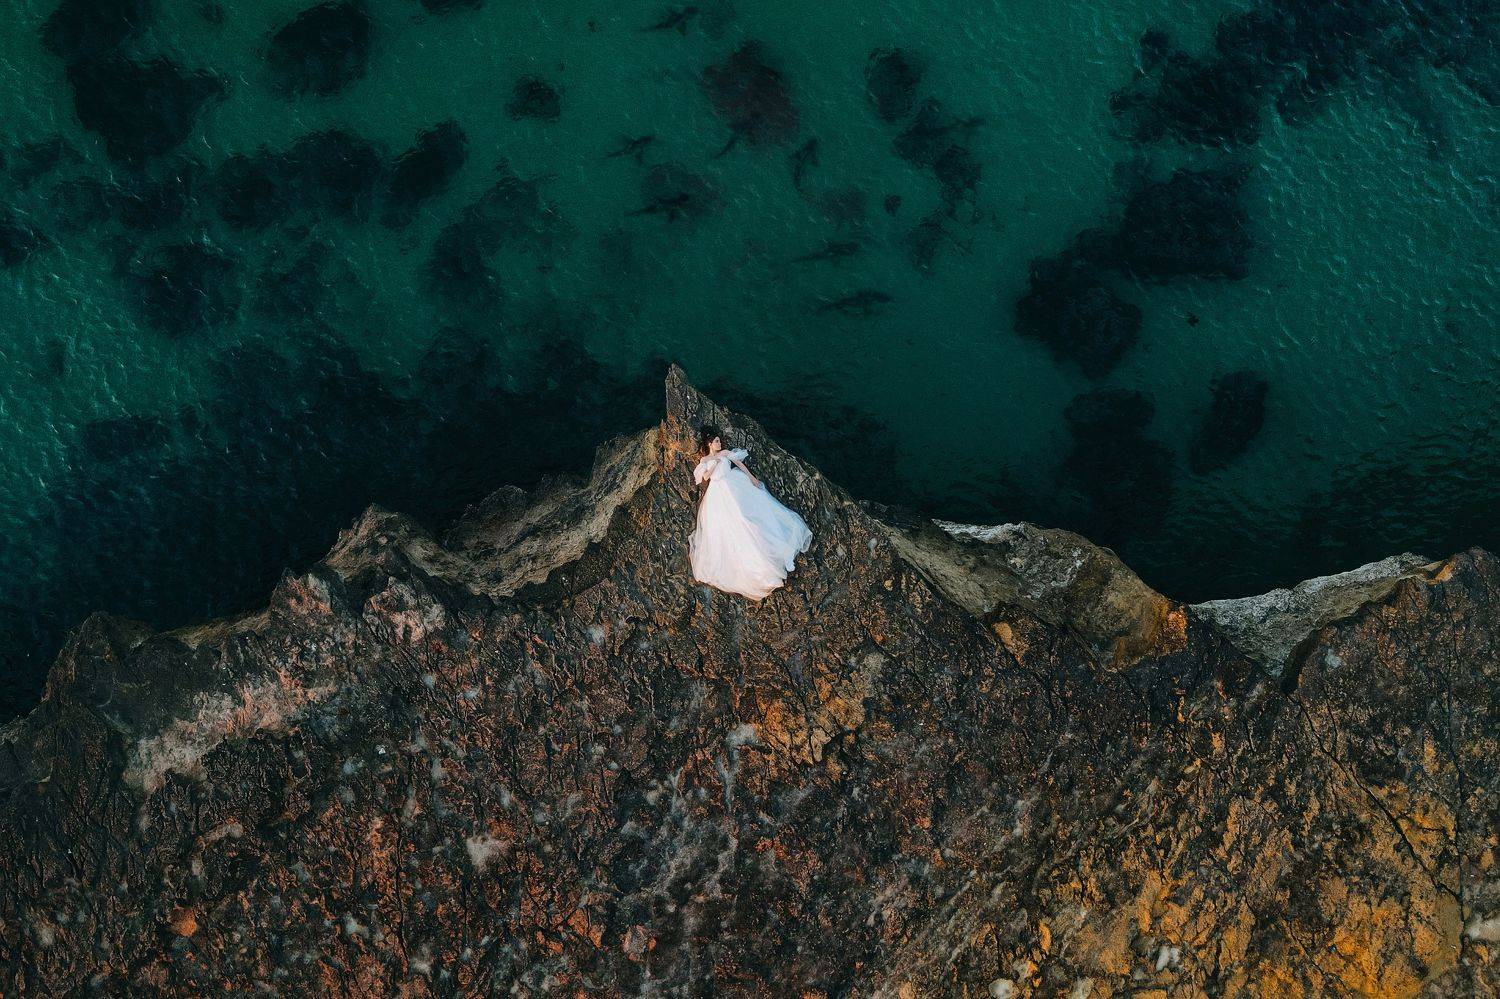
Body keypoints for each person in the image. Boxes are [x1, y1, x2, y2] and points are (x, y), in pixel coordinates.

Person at [688, 425, 812, 599]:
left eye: (719, 440)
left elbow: (739, 463)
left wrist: (752, 478)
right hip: (718, 493)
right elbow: (705, 478)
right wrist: (714, 463)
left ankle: (768, 553)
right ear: (709, 443)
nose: (719, 443)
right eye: (716, 441)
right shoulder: (705, 460)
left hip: (735, 484)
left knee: (750, 516)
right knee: (731, 526)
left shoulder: (724, 453)